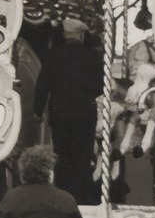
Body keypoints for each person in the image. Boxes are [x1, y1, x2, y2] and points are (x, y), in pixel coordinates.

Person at [32, 17, 106, 205]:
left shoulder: (53, 55)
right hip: (84, 113)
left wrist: (37, 111)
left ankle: (61, 196)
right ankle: (81, 199)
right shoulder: (94, 57)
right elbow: (100, 86)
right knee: (82, 158)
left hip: (60, 113)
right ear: (80, 36)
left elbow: (42, 85)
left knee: (62, 157)